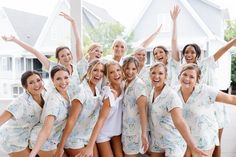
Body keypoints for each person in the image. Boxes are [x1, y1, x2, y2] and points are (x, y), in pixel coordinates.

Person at [170, 5, 236, 157]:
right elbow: (174, 42)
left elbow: (222, 50)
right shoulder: (179, 69)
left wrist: (233, 41)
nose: (188, 54)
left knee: (215, 142)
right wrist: (174, 22)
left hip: (208, 103)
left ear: (197, 55)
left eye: (192, 52)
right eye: (186, 52)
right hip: (187, 110)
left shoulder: (205, 64)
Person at [2, 12, 82, 94]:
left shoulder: (77, 68)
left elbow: (78, 42)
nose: (66, 57)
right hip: (54, 102)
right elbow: (35, 51)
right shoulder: (52, 67)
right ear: (58, 59)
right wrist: (15, 40)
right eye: (62, 56)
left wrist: (73, 22)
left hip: (72, 103)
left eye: (68, 54)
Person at [148, 62, 207, 157]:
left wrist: (193, 147)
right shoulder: (152, 91)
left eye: (160, 73)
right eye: (153, 73)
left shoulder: (171, 96)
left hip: (173, 143)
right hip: (156, 141)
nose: (156, 76)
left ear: (166, 76)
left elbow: (179, 121)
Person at [177, 63, 236, 157]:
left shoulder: (206, 91)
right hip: (183, 139)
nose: (187, 79)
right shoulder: (173, 93)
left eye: (192, 77)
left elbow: (231, 99)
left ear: (197, 80)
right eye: (184, 74)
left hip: (204, 138)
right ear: (179, 75)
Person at [54, 59, 104, 157]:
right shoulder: (81, 91)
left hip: (87, 137)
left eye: (101, 71)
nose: (98, 74)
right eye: (95, 70)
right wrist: (60, 147)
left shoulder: (97, 90)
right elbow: (71, 120)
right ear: (88, 70)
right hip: (74, 139)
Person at [0, 71, 45, 157]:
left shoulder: (45, 95)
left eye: (38, 80)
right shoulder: (20, 102)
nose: (36, 85)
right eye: (31, 82)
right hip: (12, 139)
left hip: (27, 137)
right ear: (25, 87)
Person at [29, 65, 70, 157]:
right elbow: (46, 130)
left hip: (55, 138)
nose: (63, 82)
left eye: (66, 77)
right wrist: (32, 154)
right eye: (58, 79)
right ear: (53, 81)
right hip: (44, 141)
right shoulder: (54, 100)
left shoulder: (67, 92)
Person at [121, 56, 149, 156]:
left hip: (135, 132)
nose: (130, 72)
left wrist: (144, 134)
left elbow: (143, 112)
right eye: (127, 68)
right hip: (125, 130)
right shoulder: (124, 83)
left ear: (137, 70)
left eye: (133, 69)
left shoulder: (139, 85)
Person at [96, 60, 124, 157]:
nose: (116, 74)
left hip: (116, 132)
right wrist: (90, 145)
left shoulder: (124, 87)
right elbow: (101, 119)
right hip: (103, 133)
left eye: (118, 70)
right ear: (107, 76)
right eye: (111, 72)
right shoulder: (108, 94)